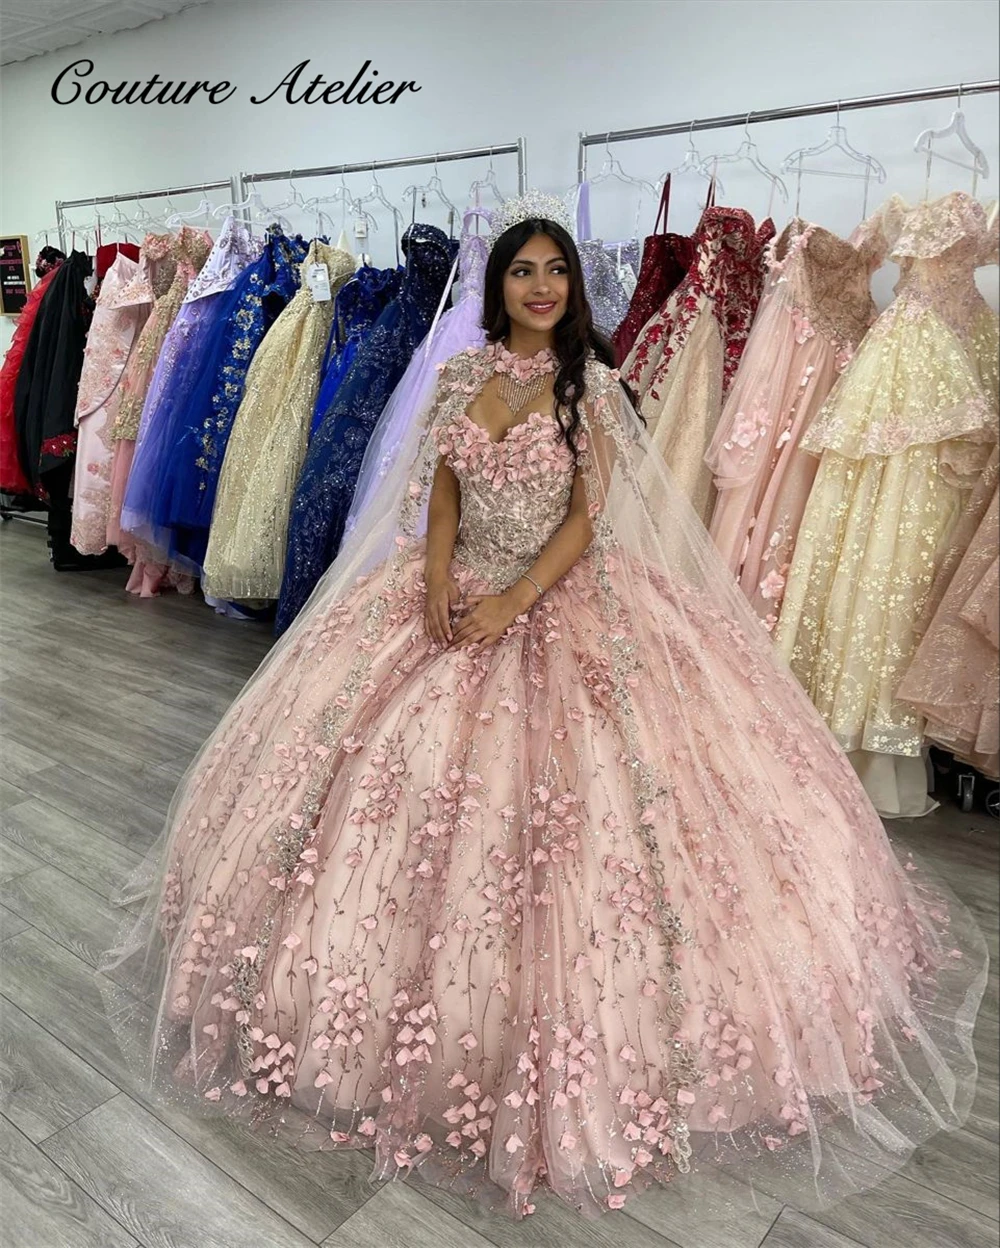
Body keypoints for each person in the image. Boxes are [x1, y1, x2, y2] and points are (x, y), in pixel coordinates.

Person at [101, 193, 985, 1221]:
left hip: (559, 599)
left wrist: (514, 599)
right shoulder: (463, 375)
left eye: (555, 271)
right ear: (500, 284)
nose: (540, 287)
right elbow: (442, 490)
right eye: (523, 270)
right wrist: (437, 578)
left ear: (572, 287)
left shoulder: (592, 386)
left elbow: (587, 517)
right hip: (451, 589)